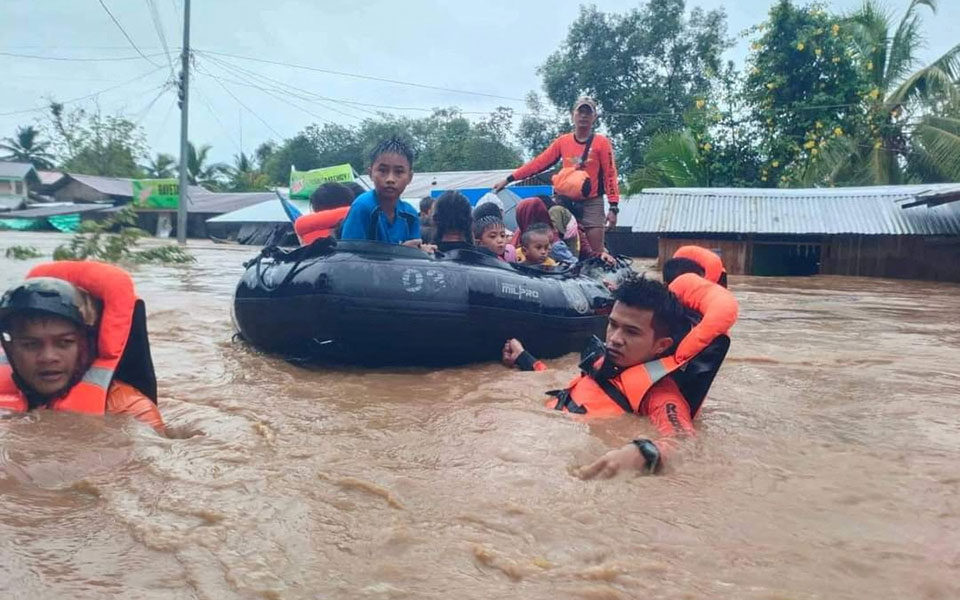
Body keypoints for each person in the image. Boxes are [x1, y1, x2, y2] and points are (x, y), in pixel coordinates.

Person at [502, 273, 734, 478]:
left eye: (631, 332)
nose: (614, 338)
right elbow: (567, 388)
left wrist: (643, 453)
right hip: (525, 445)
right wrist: (524, 359)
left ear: (661, 346)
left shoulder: (660, 396)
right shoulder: (604, 363)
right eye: (613, 325)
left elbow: (685, 444)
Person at [0, 261, 165, 432]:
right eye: (31, 345)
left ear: (87, 345)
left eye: (64, 343)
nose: (48, 357)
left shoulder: (130, 410)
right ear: (10, 348)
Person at [493, 96, 621, 252]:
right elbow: (539, 163)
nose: (583, 116)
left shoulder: (601, 142)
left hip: (591, 202)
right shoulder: (563, 141)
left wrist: (613, 207)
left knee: (595, 251)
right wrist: (509, 179)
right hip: (564, 202)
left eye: (588, 113)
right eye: (580, 112)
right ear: (572, 114)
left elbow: (610, 175)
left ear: (594, 117)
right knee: (550, 236)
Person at [339, 137, 422, 247]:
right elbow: (350, 256)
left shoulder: (410, 214)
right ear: (370, 173)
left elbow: (415, 251)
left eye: (399, 172)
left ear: (410, 177)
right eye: (383, 170)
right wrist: (402, 251)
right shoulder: (362, 207)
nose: (390, 179)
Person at [511, 198, 577, 265]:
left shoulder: (554, 245)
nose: (544, 251)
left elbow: (573, 264)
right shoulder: (521, 235)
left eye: (546, 248)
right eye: (538, 247)